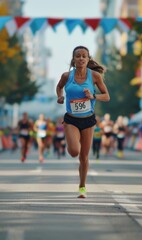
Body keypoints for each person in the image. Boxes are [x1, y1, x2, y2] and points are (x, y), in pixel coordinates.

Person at [56, 45, 110, 198]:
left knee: (84, 157)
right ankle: (73, 140)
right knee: (74, 152)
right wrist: (60, 97)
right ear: (73, 59)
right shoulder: (67, 76)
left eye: (83, 56)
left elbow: (106, 96)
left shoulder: (94, 76)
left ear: (88, 59)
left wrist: (93, 96)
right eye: (78, 56)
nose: (81, 58)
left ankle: (82, 186)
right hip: (71, 119)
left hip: (88, 120)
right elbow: (59, 87)